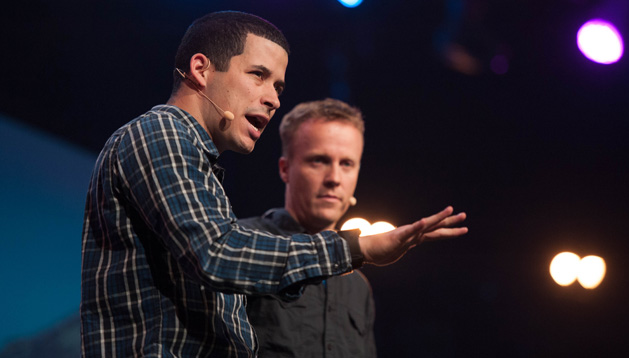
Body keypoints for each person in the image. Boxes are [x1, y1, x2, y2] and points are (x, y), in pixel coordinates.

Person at [81, 10, 468, 358]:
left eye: (278, 87)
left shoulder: (198, 163)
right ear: (201, 69)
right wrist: (358, 246)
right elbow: (218, 254)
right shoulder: (160, 132)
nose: (273, 99)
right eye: (259, 75)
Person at [241, 98, 376, 357]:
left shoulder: (358, 286)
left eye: (346, 164)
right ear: (285, 169)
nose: (334, 179)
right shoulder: (240, 242)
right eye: (319, 161)